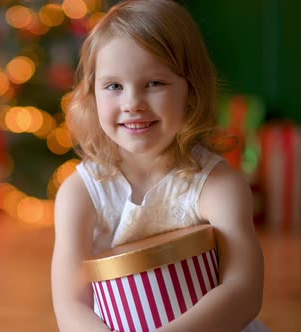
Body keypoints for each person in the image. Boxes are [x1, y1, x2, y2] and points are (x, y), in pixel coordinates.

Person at [51, 1, 267, 331]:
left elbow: (243, 292)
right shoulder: (80, 194)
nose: (132, 103)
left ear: (191, 90)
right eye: (114, 86)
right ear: (92, 95)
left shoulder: (217, 186)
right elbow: (70, 304)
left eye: (154, 83)